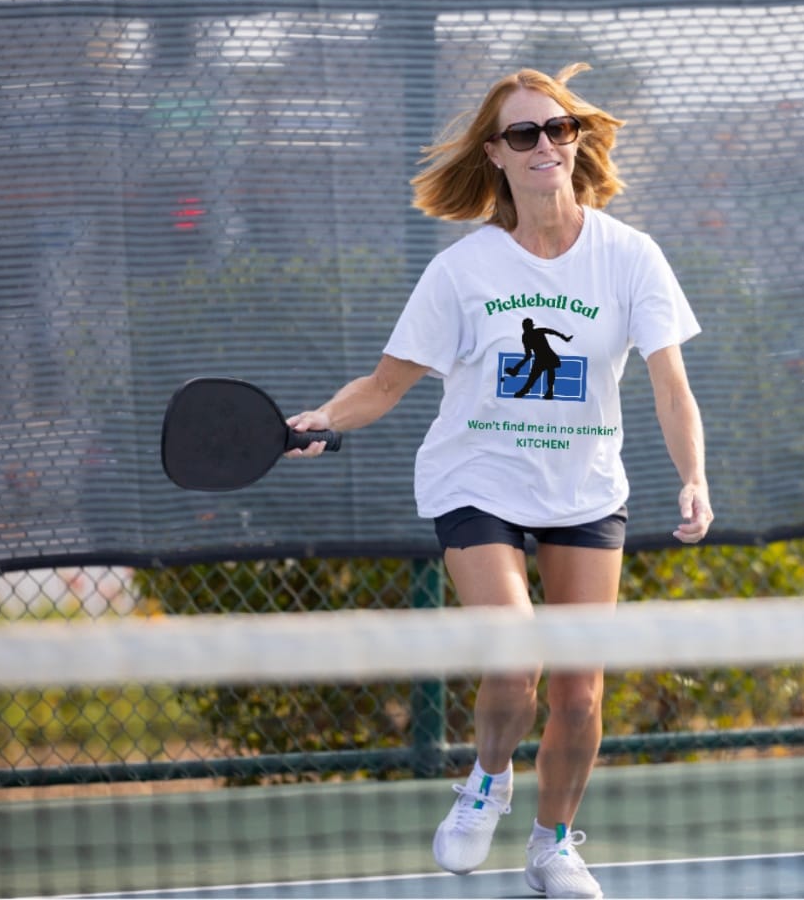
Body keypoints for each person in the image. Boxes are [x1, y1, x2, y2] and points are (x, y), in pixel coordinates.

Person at [284, 63, 713, 899]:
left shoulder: (631, 258)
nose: (546, 144)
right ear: (497, 153)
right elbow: (383, 387)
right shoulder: (463, 272)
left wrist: (693, 478)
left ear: (576, 141)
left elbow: (670, 386)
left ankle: (552, 846)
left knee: (581, 698)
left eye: (559, 129)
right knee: (516, 662)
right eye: (525, 133)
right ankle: (486, 779)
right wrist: (321, 421)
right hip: (475, 479)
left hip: (585, 487)